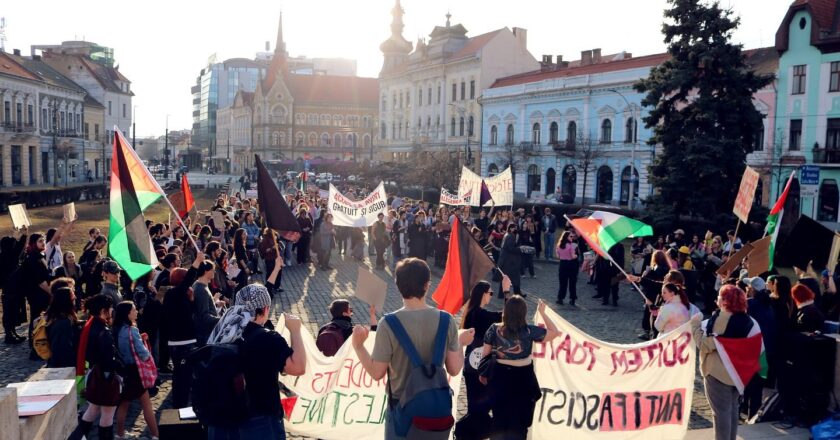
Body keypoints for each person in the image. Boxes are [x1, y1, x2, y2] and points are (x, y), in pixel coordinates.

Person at [351, 258, 475, 439]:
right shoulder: (446, 320)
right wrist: (461, 345)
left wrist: (358, 346)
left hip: (402, 409)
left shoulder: (388, 324)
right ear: (427, 285)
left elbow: (377, 372)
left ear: (398, 286)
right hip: (435, 411)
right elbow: (455, 369)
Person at [205, 284, 307, 438]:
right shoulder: (268, 338)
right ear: (265, 309)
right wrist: (295, 331)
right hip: (259, 418)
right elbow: (298, 367)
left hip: (220, 416)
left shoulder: (222, 330)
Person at [480, 296, 561, 439]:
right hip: (523, 379)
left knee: (499, 421)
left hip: (500, 377)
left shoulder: (494, 329)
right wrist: (543, 312)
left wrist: (484, 374)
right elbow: (555, 332)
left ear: (506, 311)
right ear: (523, 313)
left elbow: (485, 356)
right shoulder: (529, 331)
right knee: (520, 424)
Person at [691, 285, 757, 440]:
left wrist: (694, 325)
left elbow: (705, 344)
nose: (717, 297)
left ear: (726, 300)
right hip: (736, 373)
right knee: (732, 411)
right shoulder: (745, 317)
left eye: (720, 295)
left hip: (718, 372)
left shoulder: (722, 318)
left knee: (721, 414)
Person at [455, 278, 508, 439]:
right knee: (480, 409)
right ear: (483, 294)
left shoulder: (471, 312)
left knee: (476, 407)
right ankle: (466, 432)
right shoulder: (479, 314)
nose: (491, 296)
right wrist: (506, 291)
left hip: (472, 367)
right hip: (480, 368)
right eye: (490, 293)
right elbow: (507, 316)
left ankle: (469, 433)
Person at [68, 294, 119, 440]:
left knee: (92, 410)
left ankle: (76, 438)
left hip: (94, 374)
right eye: (110, 308)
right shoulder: (103, 330)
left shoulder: (90, 326)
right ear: (103, 310)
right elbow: (108, 359)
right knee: (107, 415)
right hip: (104, 377)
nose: (112, 310)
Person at [162, 252, 206, 408]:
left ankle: (182, 403)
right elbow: (188, 280)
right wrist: (197, 262)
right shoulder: (173, 294)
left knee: (184, 376)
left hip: (186, 341)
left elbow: (189, 314)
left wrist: (192, 302)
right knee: (182, 377)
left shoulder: (181, 296)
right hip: (180, 343)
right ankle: (179, 406)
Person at [112, 301, 159, 440]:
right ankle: (156, 435)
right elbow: (143, 354)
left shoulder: (116, 329)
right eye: (133, 309)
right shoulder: (132, 330)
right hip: (136, 372)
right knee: (146, 404)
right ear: (127, 314)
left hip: (124, 371)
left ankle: (120, 434)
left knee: (124, 403)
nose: (136, 311)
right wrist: (144, 342)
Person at [741, 276, 777, 419]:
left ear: (752, 289)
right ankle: (753, 415)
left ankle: (743, 411)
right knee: (757, 386)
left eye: (748, 286)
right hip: (765, 351)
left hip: (751, 350)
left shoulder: (749, 304)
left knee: (745, 384)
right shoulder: (769, 304)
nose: (747, 288)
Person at [627, 250, 671, 340]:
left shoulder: (658, 268)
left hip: (654, 294)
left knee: (650, 313)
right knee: (653, 314)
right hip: (659, 294)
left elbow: (654, 283)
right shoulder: (667, 268)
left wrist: (643, 276)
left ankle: (649, 333)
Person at [45, 278, 80, 368]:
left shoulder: (61, 317)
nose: (75, 297)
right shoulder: (63, 322)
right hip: (64, 368)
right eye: (72, 297)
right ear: (66, 301)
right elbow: (63, 350)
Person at [193, 260, 222, 347]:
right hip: (204, 335)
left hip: (205, 333)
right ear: (206, 271)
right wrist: (222, 320)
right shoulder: (201, 289)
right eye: (213, 270)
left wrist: (215, 303)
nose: (214, 272)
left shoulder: (201, 286)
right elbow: (203, 315)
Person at [498, 223, 523, 297]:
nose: (515, 229)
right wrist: (519, 249)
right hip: (509, 261)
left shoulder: (506, 235)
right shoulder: (511, 236)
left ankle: (501, 294)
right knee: (515, 277)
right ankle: (517, 293)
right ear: (511, 228)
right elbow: (511, 248)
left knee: (505, 277)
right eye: (514, 228)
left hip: (505, 259)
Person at [555, 231, 578, 305]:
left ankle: (560, 298)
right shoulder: (571, 246)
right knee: (572, 283)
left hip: (562, 264)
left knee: (562, 283)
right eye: (570, 236)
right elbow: (573, 256)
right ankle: (573, 299)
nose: (572, 238)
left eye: (573, 236)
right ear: (566, 237)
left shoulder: (558, 246)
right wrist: (577, 255)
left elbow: (558, 256)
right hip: (571, 264)